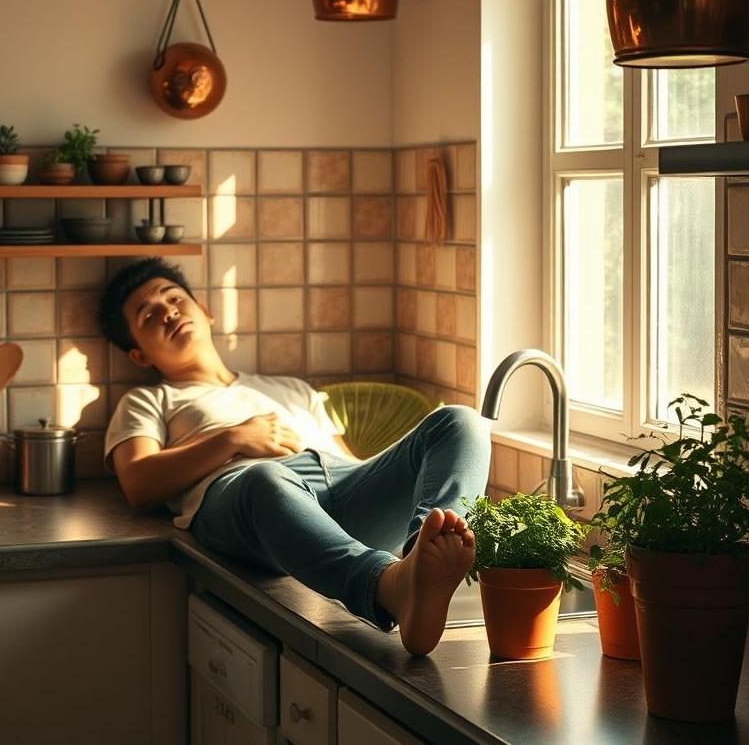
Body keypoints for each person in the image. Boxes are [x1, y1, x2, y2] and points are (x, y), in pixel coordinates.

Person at [99, 257, 491, 656]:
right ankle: (385, 587)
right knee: (266, 477)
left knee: (460, 421)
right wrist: (234, 438)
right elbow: (138, 482)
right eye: (149, 315)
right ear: (140, 356)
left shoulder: (291, 388)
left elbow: (351, 465)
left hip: (338, 487)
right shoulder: (148, 400)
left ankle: (425, 554)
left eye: (174, 298)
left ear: (205, 311)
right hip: (246, 500)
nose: (168, 313)